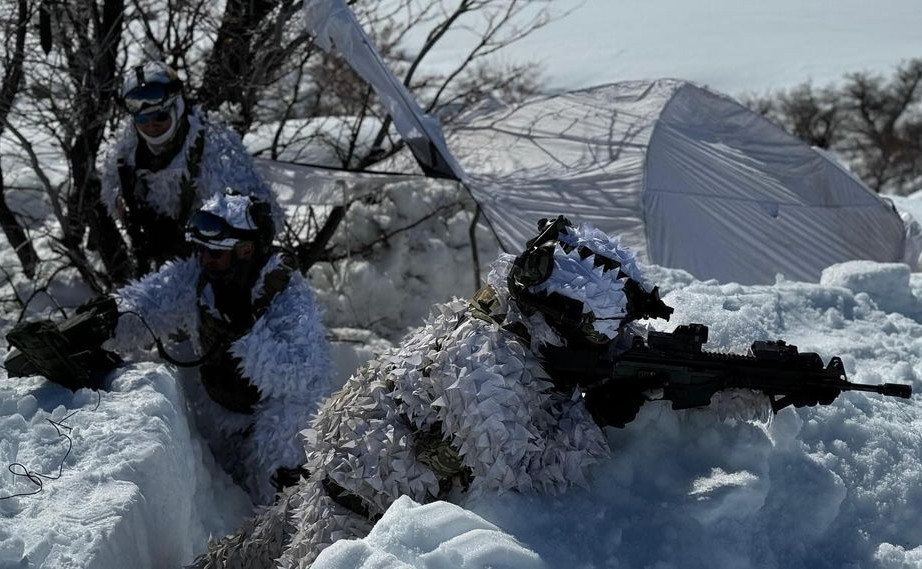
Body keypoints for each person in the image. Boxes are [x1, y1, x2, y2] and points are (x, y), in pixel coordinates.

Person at [190, 216, 755, 568]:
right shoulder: (486, 369)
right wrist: (593, 420)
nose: (613, 343)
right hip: (350, 506)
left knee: (250, 550)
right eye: (600, 333)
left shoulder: (514, 322)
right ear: (555, 321)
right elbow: (517, 474)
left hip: (341, 464)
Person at [106, 191, 330, 505]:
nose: (204, 260)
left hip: (280, 427)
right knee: (229, 500)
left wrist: (246, 330)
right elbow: (147, 305)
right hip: (221, 413)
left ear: (245, 251)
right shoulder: (199, 278)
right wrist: (102, 324)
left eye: (215, 253)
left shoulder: (286, 295)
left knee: (282, 505)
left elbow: (299, 372)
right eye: (200, 250)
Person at [100, 61, 278, 277]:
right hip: (158, 273)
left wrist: (203, 231)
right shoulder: (124, 152)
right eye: (142, 118)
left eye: (160, 116)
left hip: (217, 273)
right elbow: (112, 197)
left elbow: (267, 217)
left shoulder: (217, 148)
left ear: (177, 107)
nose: (151, 125)